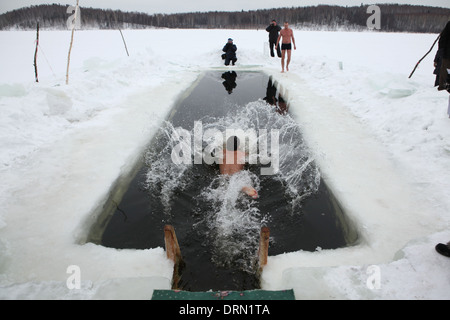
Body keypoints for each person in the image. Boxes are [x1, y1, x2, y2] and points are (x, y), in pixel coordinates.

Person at [437, 21, 450, 91]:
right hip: (447, 54)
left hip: (447, 53)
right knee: (445, 71)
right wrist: (441, 51)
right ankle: (443, 87)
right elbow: (443, 38)